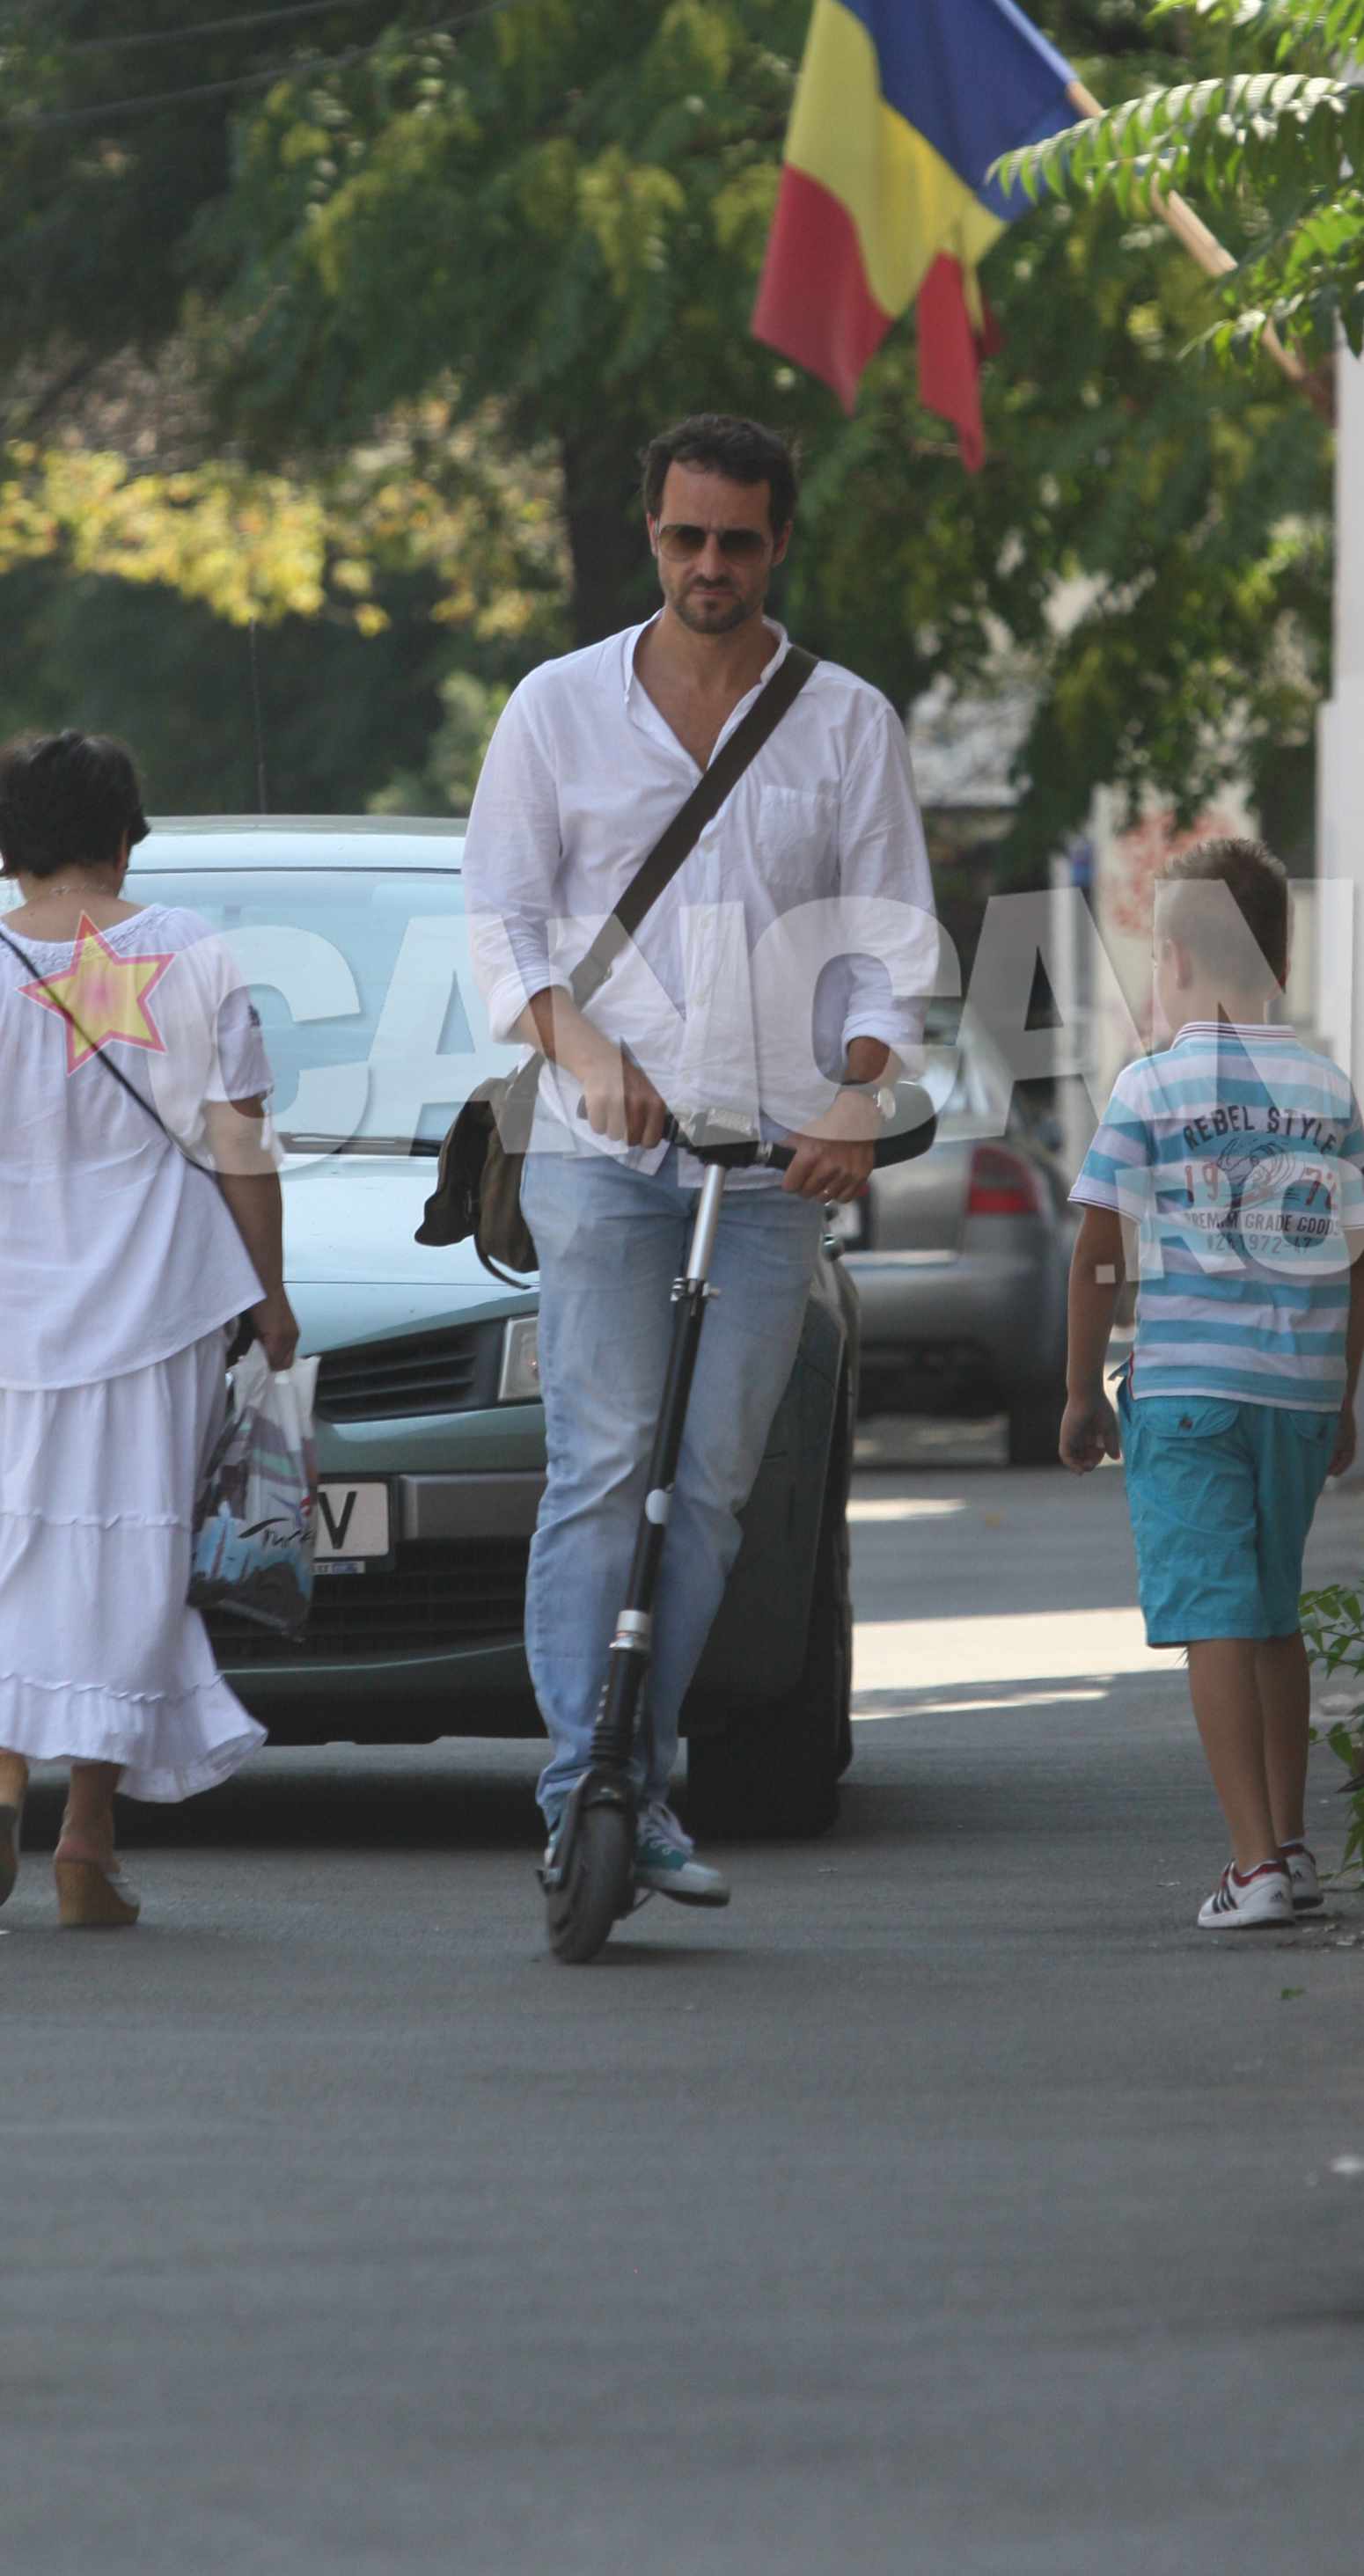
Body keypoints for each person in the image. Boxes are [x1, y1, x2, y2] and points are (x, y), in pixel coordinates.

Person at [464, 411, 936, 1897]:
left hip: (772, 1166)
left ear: (778, 541)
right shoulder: (553, 706)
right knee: (604, 1468)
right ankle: (586, 1786)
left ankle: (639, 1768)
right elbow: (502, 920)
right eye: (686, 536)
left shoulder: (846, 719)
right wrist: (588, 1056)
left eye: (739, 538)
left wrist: (860, 1090)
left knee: (712, 1487)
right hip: (604, 1155)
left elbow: (892, 943)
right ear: (650, 534)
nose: (710, 564)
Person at [0, 730, 298, 1928]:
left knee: (12, 1544)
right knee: (135, 1554)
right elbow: (240, 1143)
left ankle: (4, 1778)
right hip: (159, 1300)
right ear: (128, 835)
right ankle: (88, 1835)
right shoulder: (193, 953)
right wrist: (269, 1294)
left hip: (11, 1310)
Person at [1061, 837, 1364, 1930]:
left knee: (1213, 1622)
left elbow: (1099, 1247)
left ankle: (1249, 1866)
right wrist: (1338, 1392)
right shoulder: (1326, 1089)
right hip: (1292, 1396)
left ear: (1177, 960)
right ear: (1275, 961)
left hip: (1187, 1394)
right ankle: (1288, 1842)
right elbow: (1353, 1252)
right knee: (1272, 1612)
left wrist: (1076, 1390)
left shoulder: (1148, 1084)